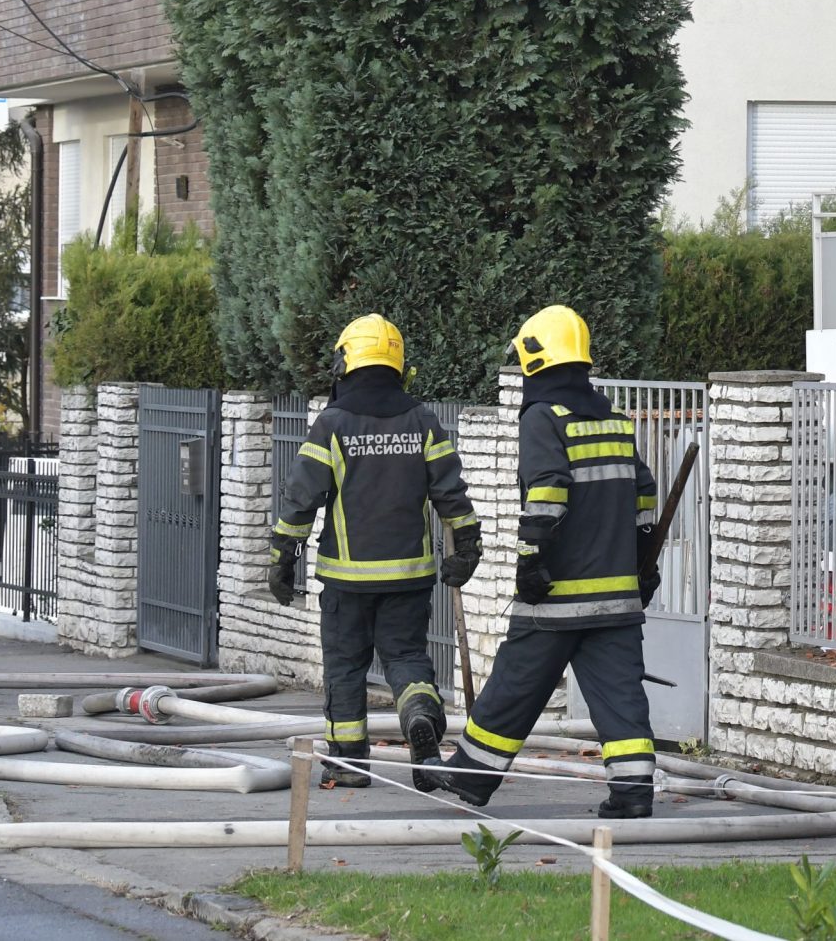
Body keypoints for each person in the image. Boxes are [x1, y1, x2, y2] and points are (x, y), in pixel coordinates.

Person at [424, 304, 662, 819]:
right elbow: (644, 493)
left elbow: (547, 492)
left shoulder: (542, 418)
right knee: (619, 693)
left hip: (557, 594)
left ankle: (470, 773)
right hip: (617, 597)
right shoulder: (615, 420)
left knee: (516, 682)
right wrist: (646, 561)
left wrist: (531, 560)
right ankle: (633, 789)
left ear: (534, 359)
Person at [269, 313, 482, 789]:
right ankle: (421, 717)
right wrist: (467, 546)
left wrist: (283, 556)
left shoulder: (332, 424)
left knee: (346, 667)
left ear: (347, 361)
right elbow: (452, 493)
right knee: (406, 657)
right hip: (409, 575)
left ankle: (348, 764)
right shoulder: (422, 421)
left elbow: (302, 497)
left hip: (347, 581)